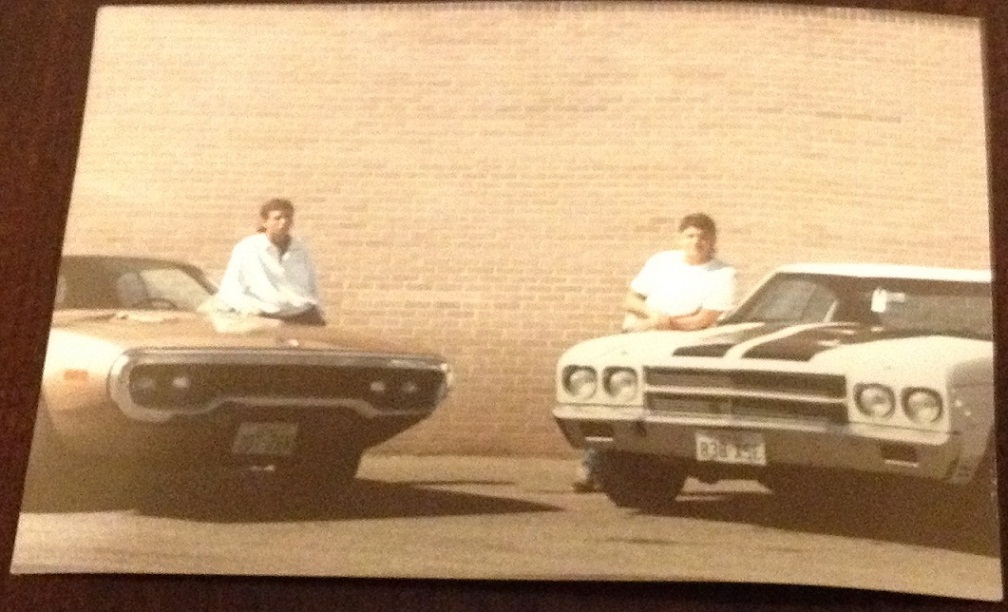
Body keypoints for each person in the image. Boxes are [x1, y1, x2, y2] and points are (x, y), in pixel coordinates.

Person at [573, 212, 736, 493]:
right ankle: (591, 465)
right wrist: (652, 316)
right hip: (635, 340)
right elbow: (630, 299)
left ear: (713, 241)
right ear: (680, 238)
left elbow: (705, 318)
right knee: (611, 403)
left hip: (676, 350)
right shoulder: (661, 261)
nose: (696, 242)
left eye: (703, 237)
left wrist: (666, 323)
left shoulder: (724, 274)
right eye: (690, 235)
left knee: (654, 411)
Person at [213, 197, 326, 326]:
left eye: (288, 217)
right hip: (265, 316)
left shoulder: (300, 249)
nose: (284, 222)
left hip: (301, 315)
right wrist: (250, 311)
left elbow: (312, 283)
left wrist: (318, 308)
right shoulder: (248, 248)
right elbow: (230, 287)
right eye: (277, 218)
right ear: (265, 222)